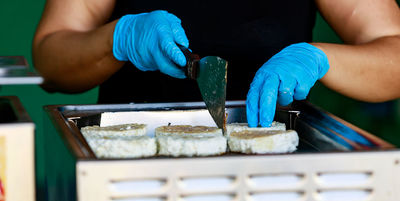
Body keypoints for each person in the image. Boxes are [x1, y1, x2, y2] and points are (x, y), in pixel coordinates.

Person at [33, 0, 400, 127]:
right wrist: (119, 37)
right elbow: (50, 61)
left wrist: (318, 58)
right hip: (129, 170)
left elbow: (393, 53)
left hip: (271, 175)